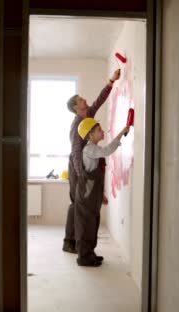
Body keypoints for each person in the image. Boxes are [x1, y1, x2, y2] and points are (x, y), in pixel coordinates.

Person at [62, 69, 121, 253]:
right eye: (80, 100)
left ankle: (74, 241)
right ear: (75, 107)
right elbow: (76, 152)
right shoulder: (76, 125)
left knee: (80, 203)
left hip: (83, 165)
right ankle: (70, 242)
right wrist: (81, 177)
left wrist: (111, 81)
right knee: (77, 203)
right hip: (77, 167)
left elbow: (99, 100)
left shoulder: (88, 114)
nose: (84, 100)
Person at [74, 118, 130, 266]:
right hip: (87, 197)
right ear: (90, 135)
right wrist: (120, 134)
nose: (102, 131)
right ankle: (84, 257)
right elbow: (107, 150)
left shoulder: (93, 149)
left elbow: (97, 177)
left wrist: (102, 194)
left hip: (92, 195)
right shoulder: (89, 149)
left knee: (92, 224)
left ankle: (90, 253)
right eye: (99, 130)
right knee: (86, 226)